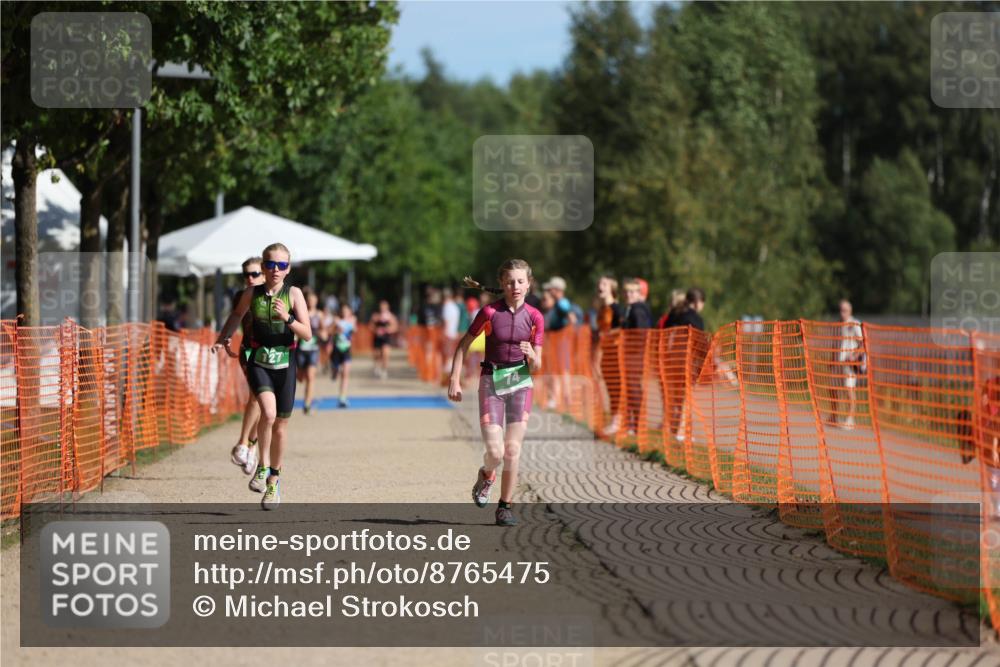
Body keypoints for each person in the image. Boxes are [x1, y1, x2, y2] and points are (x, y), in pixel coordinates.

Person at [213, 243, 311, 510]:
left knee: (280, 425)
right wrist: (223, 338)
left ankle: (274, 480)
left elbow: (307, 333)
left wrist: (287, 318)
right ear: (263, 267)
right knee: (267, 413)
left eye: (281, 265)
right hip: (259, 361)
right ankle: (262, 467)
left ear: (288, 268)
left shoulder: (294, 294)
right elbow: (236, 315)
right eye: (270, 264)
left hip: (285, 363)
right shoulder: (252, 293)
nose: (275, 270)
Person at [448, 261, 544, 527]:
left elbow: (537, 367)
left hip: (520, 382)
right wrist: (454, 379)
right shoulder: (489, 312)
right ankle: (487, 474)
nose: (516, 287)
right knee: (495, 451)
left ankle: (505, 507)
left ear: (528, 284)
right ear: (502, 284)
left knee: (512, 449)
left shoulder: (535, 317)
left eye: (521, 281)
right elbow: (463, 345)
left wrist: (532, 355)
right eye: (510, 282)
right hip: (491, 381)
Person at [226, 257, 265, 475]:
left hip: (271, 354)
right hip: (249, 350)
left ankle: (250, 447)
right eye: (247, 275)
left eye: (255, 274)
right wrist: (226, 337)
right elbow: (235, 318)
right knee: (257, 395)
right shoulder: (242, 296)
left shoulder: (275, 294)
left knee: (269, 406)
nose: (250, 278)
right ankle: (242, 443)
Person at [593, 275, 625, 436]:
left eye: (604, 283)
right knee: (611, 388)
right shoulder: (601, 310)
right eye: (599, 283)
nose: (600, 285)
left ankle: (619, 422)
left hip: (617, 353)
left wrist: (608, 335)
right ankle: (615, 421)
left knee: (619, 388)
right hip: (605, 353)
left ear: (611, 288)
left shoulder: (617, 309)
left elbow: (623, 331)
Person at [833, 299, 864, 430]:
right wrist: (831, 359)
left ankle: (850, 419)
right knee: (833, 388)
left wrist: (854, 356)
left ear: (850, 311)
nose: (842, 313)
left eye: (844, 310)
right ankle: (834, 416)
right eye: (840, 310)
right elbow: (836, 344)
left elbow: (863, 344)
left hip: (850, 364)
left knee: (849, 390)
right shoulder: (839, 324)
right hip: (839, 362)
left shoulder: (854, 324)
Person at [295, 288, 325, 415]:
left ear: (317, 301)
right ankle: (300, 377)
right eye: (309, 300)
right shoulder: (301, 312)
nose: (312, 302)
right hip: (301, 349)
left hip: (313, 349)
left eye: (313, 300)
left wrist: (323, 335)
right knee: (301, 377)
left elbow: (324, 330)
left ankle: (307, 403)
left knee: (310, 377)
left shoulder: (319, 314)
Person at [331, 303, 356, 407]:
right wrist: (336, 330)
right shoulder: (336, 319)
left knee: (345, 374)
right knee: (336, 374)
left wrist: (351, 329)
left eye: (347, 310)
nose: (345, 312)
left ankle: (342, 398)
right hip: (336, 350)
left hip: (346, 349)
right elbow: (330, 331)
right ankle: (334, 371)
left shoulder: (353, 319)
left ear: (350, 311)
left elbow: (354, 330)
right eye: (343, 310)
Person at [369, 299, 399, 380]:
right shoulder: (375, 316)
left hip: (386, 338)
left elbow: (395, 327)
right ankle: (377, 367)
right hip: (377, 338)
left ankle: (384, 370)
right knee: (377, 355)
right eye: (381, 306)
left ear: (387, 307)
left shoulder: (391, 316)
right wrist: (376, 330)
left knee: (386, 354)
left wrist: (388, 329)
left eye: (384, 306)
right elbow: (370, 326)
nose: (383, 308)